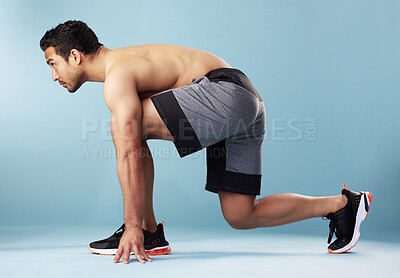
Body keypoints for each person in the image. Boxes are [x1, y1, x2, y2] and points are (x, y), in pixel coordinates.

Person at [40, 20, 372, 264]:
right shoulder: (127, 67)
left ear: (75, 56)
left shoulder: (117, 76)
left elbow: (129, 149)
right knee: (241, 214)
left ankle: (147, 230)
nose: (54, 76)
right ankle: (342, 205)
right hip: (245, 100)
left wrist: (131, 227)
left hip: (223, 92)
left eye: (53, 64)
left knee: (126, 128)